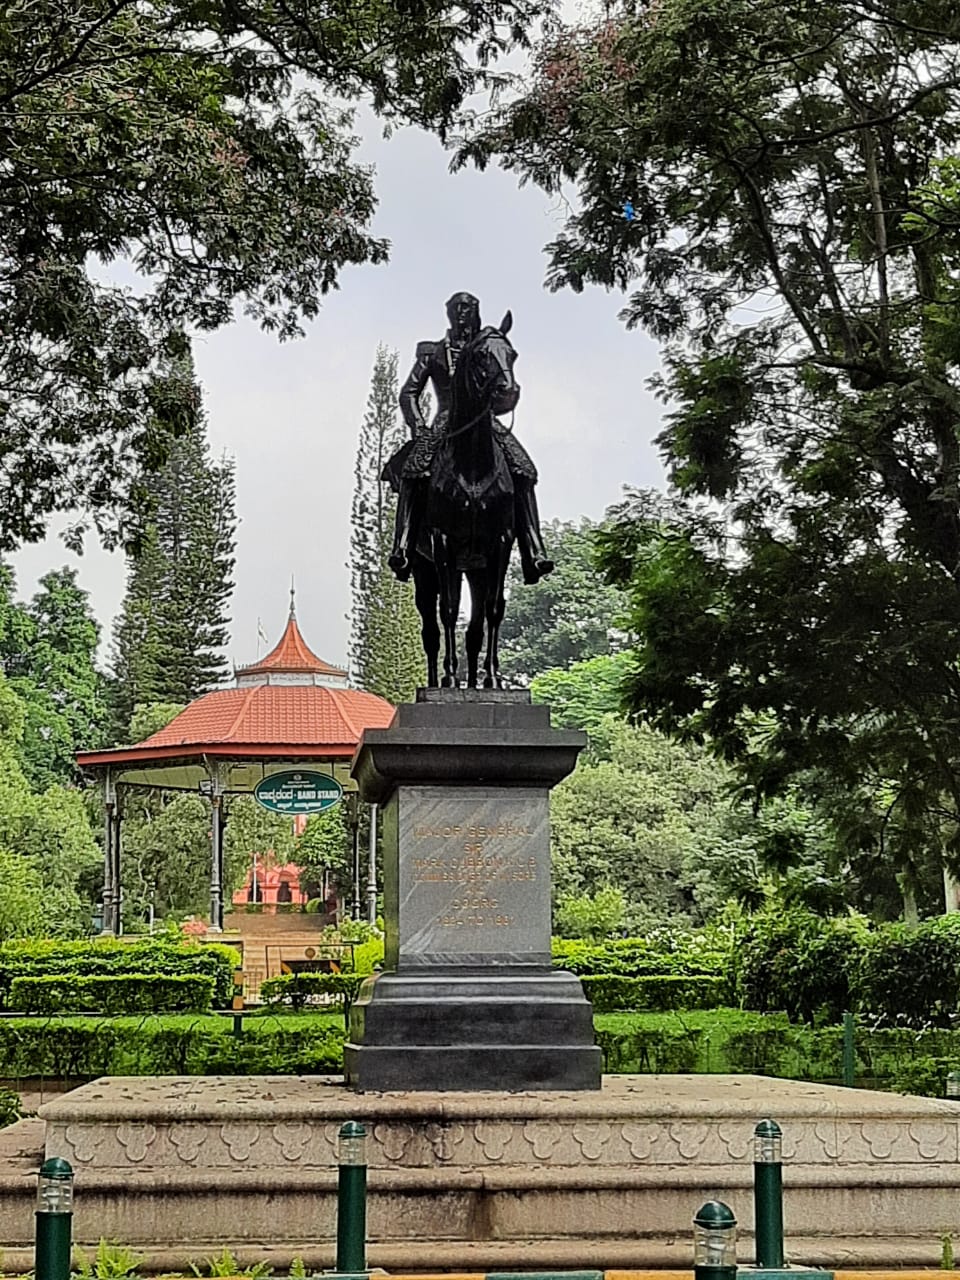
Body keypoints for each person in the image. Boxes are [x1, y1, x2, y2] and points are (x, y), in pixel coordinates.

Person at [383, 292, 554, 585]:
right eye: (457, 309)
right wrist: (418, 425)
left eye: (468, 308)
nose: (462, 314)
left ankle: (533, 550)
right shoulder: (433, 352)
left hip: (484, 423)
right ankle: (403, 547)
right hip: (443, 424)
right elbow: (409, 392)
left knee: (524, 470)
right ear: (448, 313)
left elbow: (502, 385)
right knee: (412, 471)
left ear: (477, 312)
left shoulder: (489, 348)